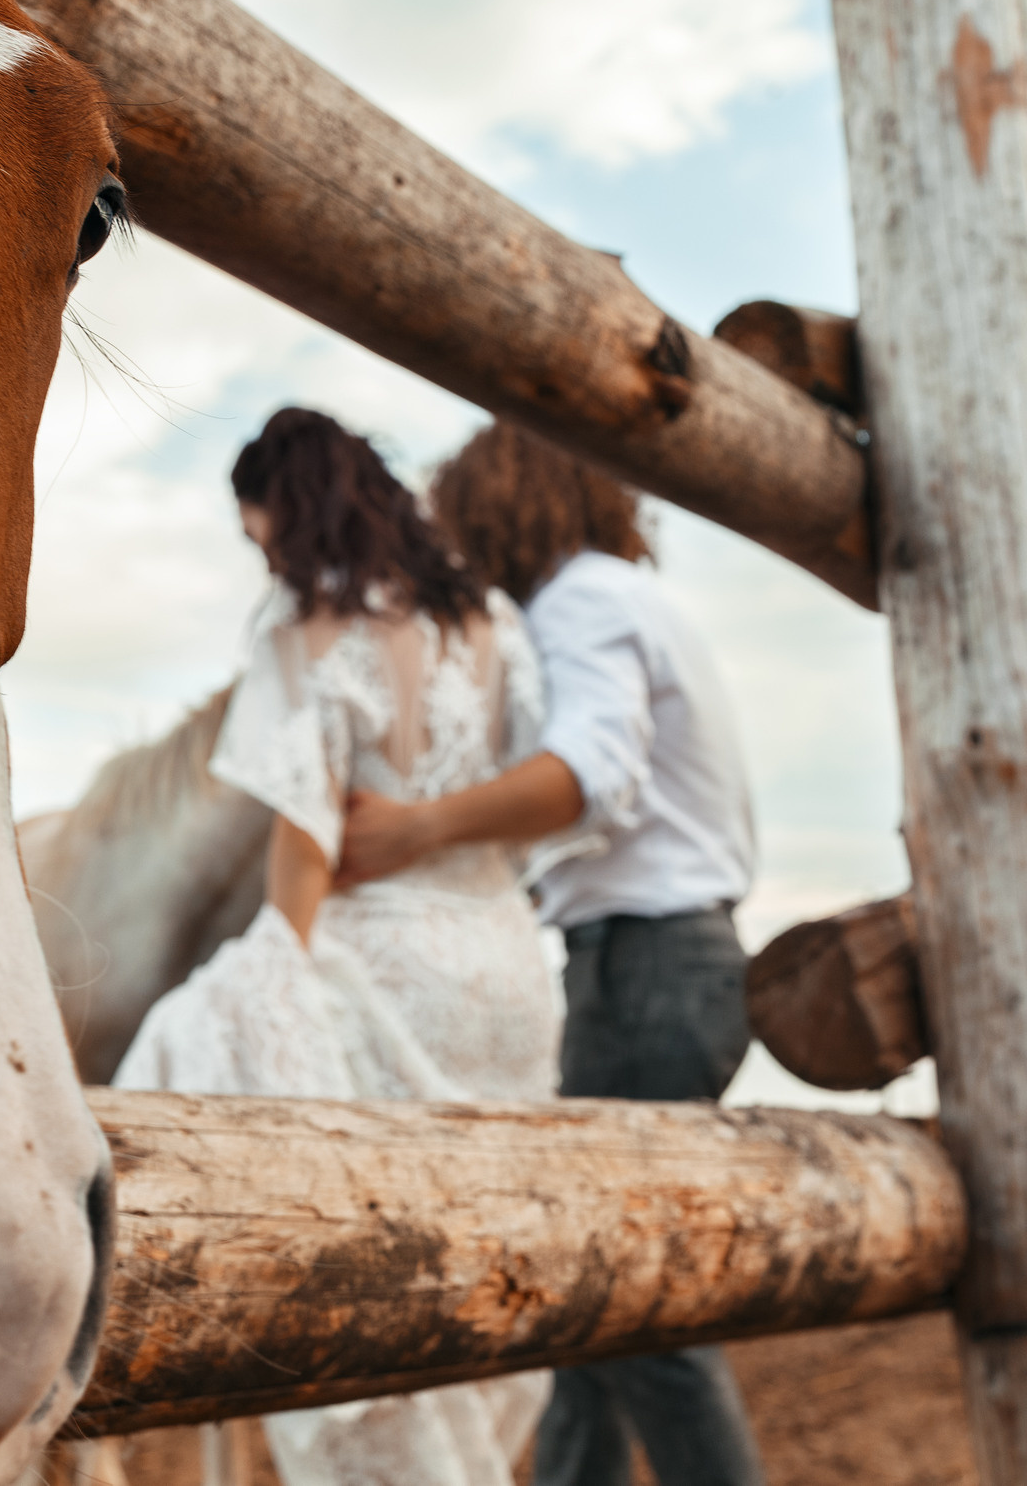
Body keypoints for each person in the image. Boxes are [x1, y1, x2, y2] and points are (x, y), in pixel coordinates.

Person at [116, 407, 560, 1486]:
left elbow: (306, 829)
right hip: (509, 974)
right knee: (482, 1254)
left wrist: (281, 954)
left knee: (188, 1044)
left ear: (289, 512)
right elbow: (538, 792)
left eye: (258, 534)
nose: (262, 559)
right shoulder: (487, 615)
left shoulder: (301, 625)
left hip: (392, 968)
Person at [338, 421, 765, 1486]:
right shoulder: (632, 598)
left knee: (638, 1311)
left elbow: (589, 772)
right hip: (662, 963)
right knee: (591, 1311)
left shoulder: (578, 601)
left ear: (501, 506)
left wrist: (416, 830)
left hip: (645, 967)